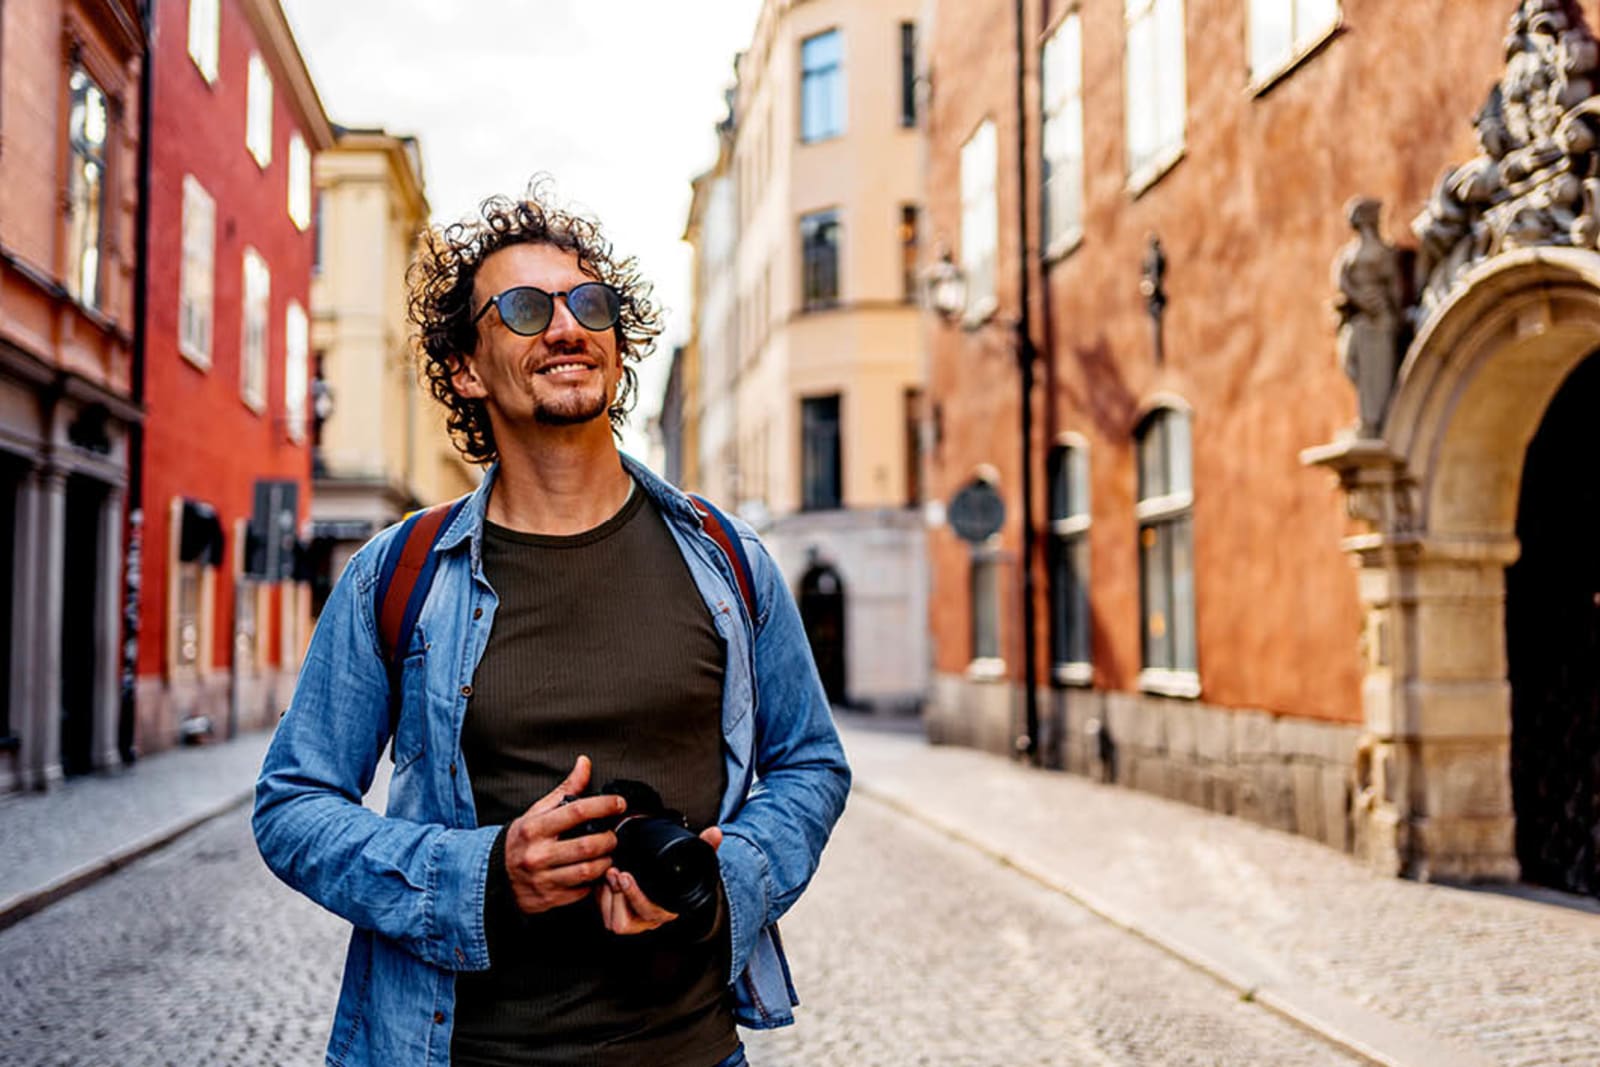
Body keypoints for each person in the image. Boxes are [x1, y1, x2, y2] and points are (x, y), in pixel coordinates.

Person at [254, 185, 851, 1067]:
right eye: (527, 308)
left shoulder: (726, 558)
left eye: (590, 304)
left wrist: (724, 885)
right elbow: (293, 804)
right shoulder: (400, 572)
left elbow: (810, 762)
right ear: (466, 366)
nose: (568, 326)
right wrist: (485, 877)